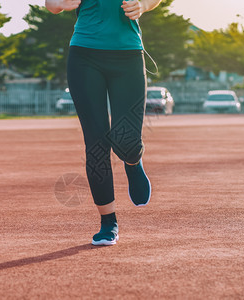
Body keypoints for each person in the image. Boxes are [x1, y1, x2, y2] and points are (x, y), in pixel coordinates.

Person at [45, 0, 162, 246]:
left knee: (126, 140)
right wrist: (60, 4)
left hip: (128, 55)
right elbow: (51, 3)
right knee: (96, 142)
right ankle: (108, 222)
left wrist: (143, 5)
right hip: (84, 56)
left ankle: (133, 160)